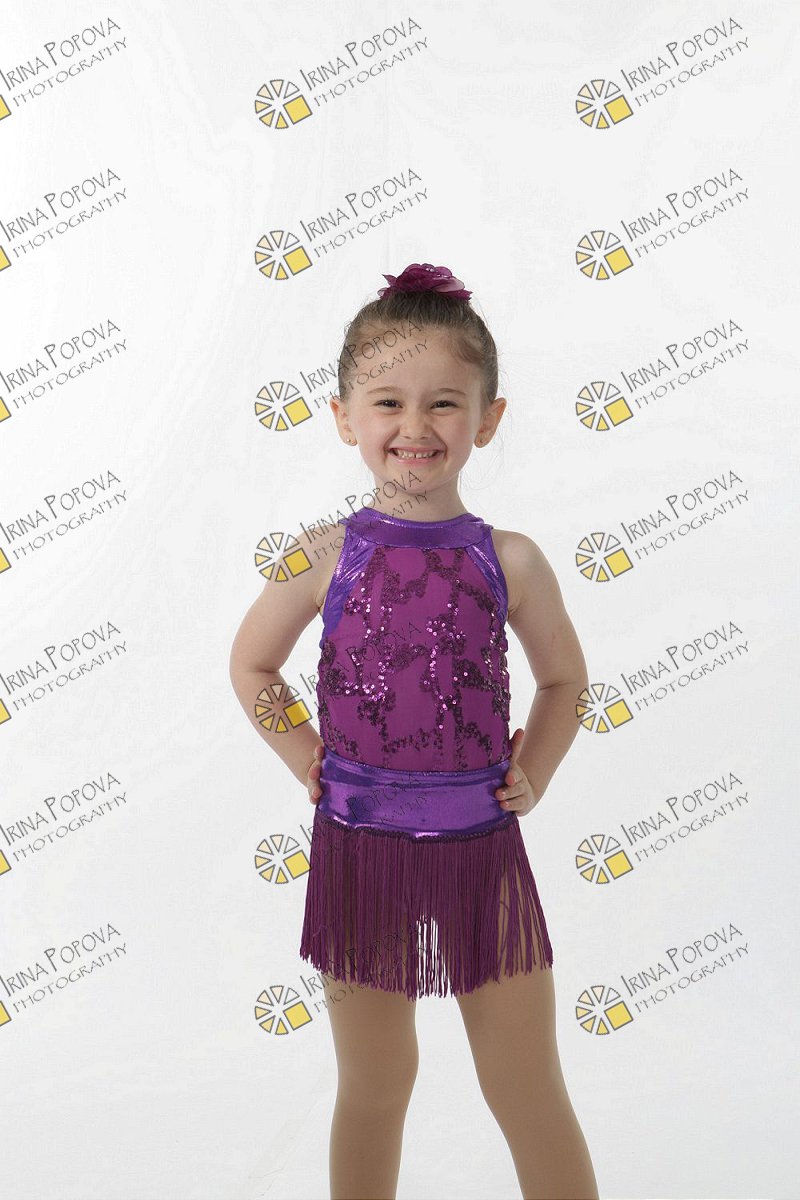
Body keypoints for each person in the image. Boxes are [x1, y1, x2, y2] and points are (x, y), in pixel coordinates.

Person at [229, 262, 599, 1199]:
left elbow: (565, 680)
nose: (415, 426)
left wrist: (537, 769)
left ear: (488, 418)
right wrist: (304, 754)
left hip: (482, 851)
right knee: (375, 1082)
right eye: (388, 402)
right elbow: (252, 665)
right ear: (344, 416)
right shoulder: (326, 555)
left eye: (444, 403)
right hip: (359, 853)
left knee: (525, 1085)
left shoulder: (509, 559)